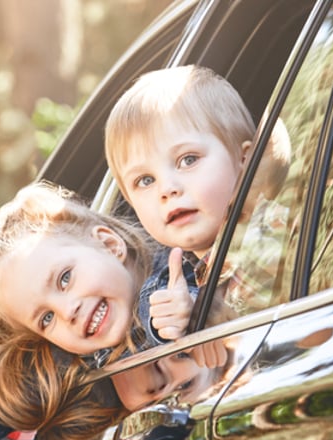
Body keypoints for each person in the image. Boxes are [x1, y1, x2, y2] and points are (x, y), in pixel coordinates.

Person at [0, 183, 224, 440]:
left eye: (65, 279)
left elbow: (212, 295)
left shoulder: (175, 268)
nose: (67, 311)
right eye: (46, 318)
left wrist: (192, 309)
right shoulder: (71, 362)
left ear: (109, 244)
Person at [106, 64, 292, 325]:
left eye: (188, 159)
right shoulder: (168, 276)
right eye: (145, 180)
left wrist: (198, 316)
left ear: (243, 159)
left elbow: (258, 314)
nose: (167, 189)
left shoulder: (270, 228)